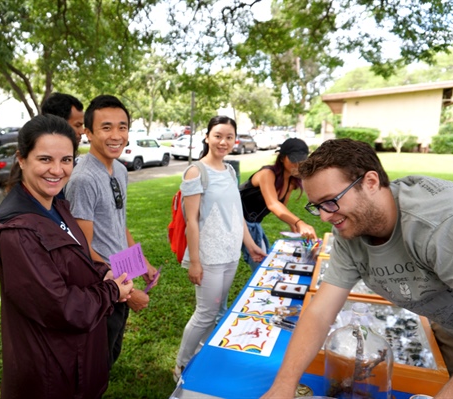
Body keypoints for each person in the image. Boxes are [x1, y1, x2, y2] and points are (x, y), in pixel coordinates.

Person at [261, 138, 453, 398]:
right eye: (317, 206)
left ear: (370, 182)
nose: (326, 216)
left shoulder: (444, 226)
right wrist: (283, 386)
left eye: (331, 201)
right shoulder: (350, 230)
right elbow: (319, 313)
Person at [0, 114, 133, 399]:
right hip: (51, 369)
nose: (57, 170)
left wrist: (103, 273)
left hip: (76, 357)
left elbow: (77, 258)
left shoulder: (57, 205)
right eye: (45, 159)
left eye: (66, 160)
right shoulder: (17, 233)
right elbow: (62, 308)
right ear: (22, 159)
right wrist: (111, 291)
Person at [64, 94, 159, 368]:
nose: (116, 135)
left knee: (111, 352)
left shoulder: (119, 168)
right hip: (101, 287)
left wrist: (143, 263)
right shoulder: (83, 179)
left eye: (122, 127)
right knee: (96, 362)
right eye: (106, 127)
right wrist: (127, 293)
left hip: (121, 278)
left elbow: (118, 223)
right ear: (88, 133)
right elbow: (83, 248)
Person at [173, 116, 267, 381]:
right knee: (205, 313)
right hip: (207, 256)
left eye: (229, 137)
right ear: (207, 137)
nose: (223, 142)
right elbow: (191, 220)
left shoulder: (229, 171)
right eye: (218, 135)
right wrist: (194, 262)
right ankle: (181, 365)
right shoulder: (196, 171)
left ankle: (203, 358)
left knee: (220, 311)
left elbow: (237, 215)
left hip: (230, 254)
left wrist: (251, 246)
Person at [239, 138, 317, 270]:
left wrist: (292, 224)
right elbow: (273, 204)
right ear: (281, 158)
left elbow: (281, 208)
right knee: (259, 263)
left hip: (253, 224)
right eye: (293, 160)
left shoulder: (291, 183)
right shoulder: (267, 174)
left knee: (263, 260)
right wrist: (299, 222)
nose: (297, 164)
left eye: (301, 160)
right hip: (235, 221)